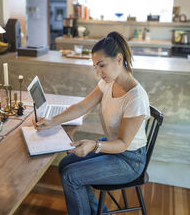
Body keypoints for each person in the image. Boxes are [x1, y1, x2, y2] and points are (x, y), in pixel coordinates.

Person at [34, 31, 150, 215]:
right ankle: (99, 213)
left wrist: (94, 145)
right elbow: (82, 106)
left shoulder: (136, 98)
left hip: (130, 159)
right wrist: (51, 121)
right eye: (95, 66)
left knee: (71, 176)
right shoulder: (108, 82)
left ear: (119, 59)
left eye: (101, 65)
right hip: (114, 148)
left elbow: (123, 144)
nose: (98, 73)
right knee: (65, 165)